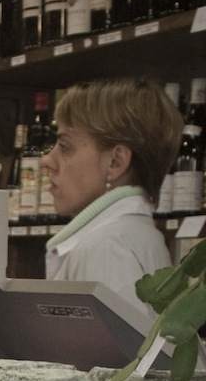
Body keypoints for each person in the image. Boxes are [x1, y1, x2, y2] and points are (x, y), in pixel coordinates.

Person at [42, 78, 183, 306]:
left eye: (65, 146)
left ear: (116, 161)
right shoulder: (126, 236)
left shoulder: (107, 247)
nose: (47, 160)